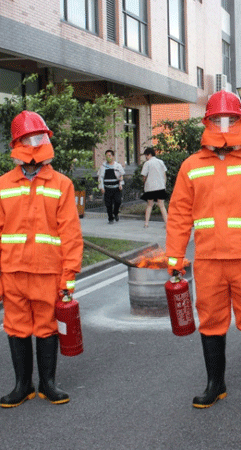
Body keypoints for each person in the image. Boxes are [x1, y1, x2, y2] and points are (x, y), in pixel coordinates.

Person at [166, 91, 241, 409]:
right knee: (211, 322)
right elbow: (179, 214)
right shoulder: (191, 166)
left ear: (240, 122)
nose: (223, 126)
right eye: (217, 120)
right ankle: (215, 384)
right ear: (207, 123)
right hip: (208, 260)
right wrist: (175, 256)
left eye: (230, 120)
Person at [0, 111, 83, 407]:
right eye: (30, 139)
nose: (35, 145)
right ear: (17, 143)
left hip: (48, 272)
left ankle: (48, 384)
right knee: (16, 327)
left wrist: (68, 276)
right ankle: (23, 386)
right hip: (12, 272)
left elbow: (70, 235)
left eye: (39, 138)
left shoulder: (61, 184)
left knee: (47, 327)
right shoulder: (3, 185)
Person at [141, 147, 168, 227]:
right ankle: (167, 223)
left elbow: (144, 176)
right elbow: (164, 174)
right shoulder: (160, 162)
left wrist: (144, 184)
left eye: (146, 155)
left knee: (149, 205)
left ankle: (146, 223)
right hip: (160, 186)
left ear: (149, 154)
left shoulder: (147, 163)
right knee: (162, 205)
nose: (146, 157)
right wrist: (164, 184)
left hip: (150, 187)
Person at [98, 149, 125, 224]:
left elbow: (121, 176)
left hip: (116, 188)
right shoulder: (103, 166)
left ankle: (115, 213)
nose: (108, 157)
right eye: (107, 156)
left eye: (109, 155)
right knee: (108, 204)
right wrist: (101, 187)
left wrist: (121, 184)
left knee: (118, 201)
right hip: (107, 188)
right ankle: (110, 218)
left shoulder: (118, 166)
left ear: (113, 156)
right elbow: (100, 177)